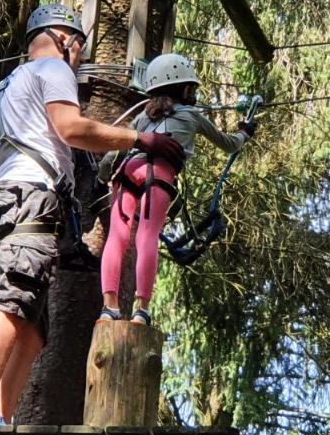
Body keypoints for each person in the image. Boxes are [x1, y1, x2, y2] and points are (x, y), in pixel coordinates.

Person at [0, 4, 185, 427]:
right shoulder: (53, 70)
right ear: (66, 40)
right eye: (78, 51)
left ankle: (0, 420)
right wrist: (141, 138)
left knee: (32, 323)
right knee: (11, 302)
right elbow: (72, 128)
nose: (79, 61)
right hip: (29, 195)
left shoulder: (0, 91)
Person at [98, 53, 256, 326]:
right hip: (158, 173)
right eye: (191, 88)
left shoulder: (142, 119)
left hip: (126, 173)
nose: (193, 93)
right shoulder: (192, 115)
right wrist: (245, 132)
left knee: (117, 236)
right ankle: (141, 310)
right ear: (182, 88)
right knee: (147, 236)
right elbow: (229, 143)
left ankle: (108, 308)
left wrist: (103, 174)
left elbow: (113, 155)